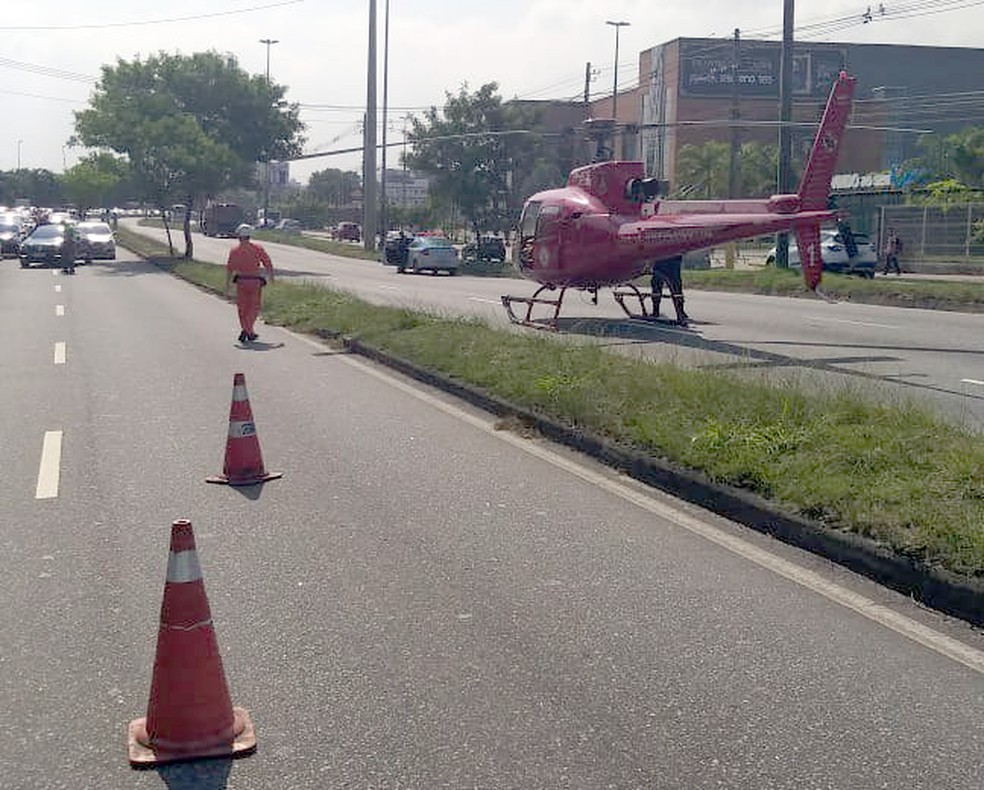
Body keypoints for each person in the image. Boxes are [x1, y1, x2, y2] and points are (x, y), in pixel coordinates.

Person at [225, 223, 275, 343]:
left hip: (241, 281)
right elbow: (267, 263)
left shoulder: (235, 250)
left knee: (242, 308)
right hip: (255, 281)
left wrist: (227, 283)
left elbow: (230, 268)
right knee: (253, 307)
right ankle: (248, 330)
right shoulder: (258, 248)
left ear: (239, 236)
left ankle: (247, 330)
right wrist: (271, 277)